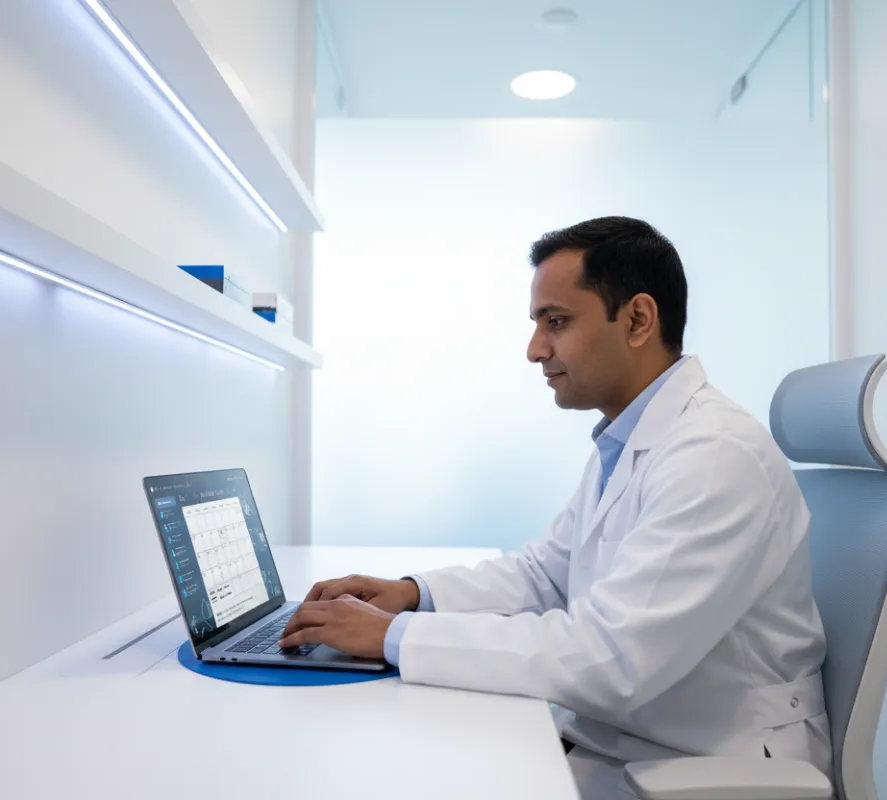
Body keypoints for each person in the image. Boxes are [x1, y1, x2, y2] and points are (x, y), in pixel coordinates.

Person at [279, 217, 831, 799]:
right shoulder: (633, 437)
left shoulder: (714, 456)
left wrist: (394, 636)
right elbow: (546, 574)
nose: (535, 349)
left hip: (708, 765)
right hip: (631, 738)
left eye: (557, 322)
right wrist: (413, 594)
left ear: (639, 320)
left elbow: (610, 660)